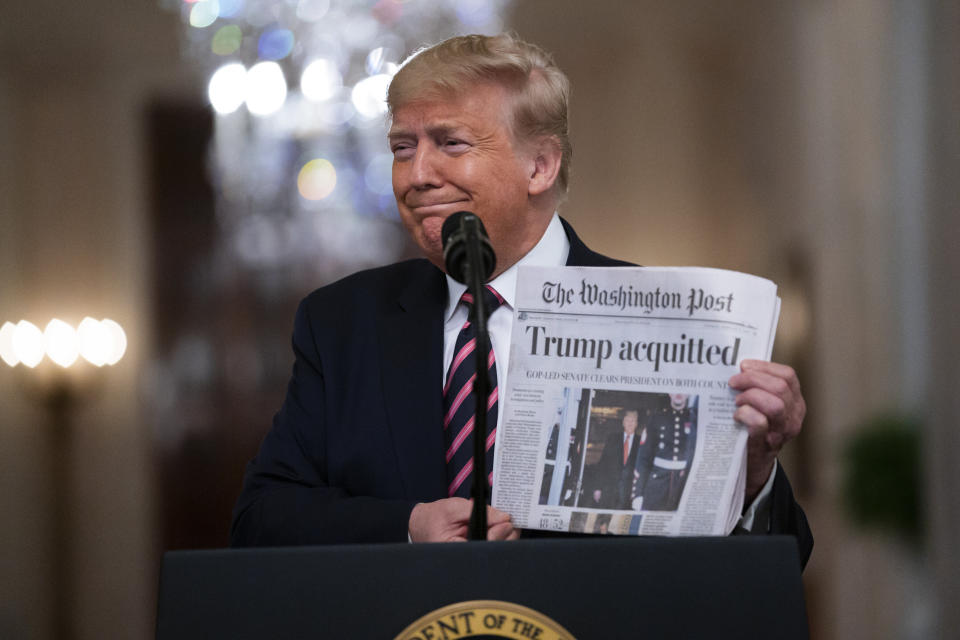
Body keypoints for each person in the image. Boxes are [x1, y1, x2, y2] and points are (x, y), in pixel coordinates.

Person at [230, 33, 812, 566]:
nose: (417, 175)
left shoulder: (655, 319)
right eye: (403, 147)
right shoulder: (342, 323)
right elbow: (261, 519)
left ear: (540, 165)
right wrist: (406, 526)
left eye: (450, 143)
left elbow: (773, 565)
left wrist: (753, 470)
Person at [630, 394, 697, 511]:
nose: (679, 394)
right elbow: (644, 458)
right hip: (657, 483)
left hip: (683, 484)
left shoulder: (694, 419)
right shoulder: (656, 418)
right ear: (669, 393)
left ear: (688, 394)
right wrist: (638, 493)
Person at [591, 409, 642, 510]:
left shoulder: (641, 443)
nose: (630, 423)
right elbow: (603, 464)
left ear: (636, 424)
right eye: (628, 420)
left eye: (633, 420)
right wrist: (597, 488)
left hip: (630, 494)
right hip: (609, 491)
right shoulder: (612, 439)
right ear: (623, 422)